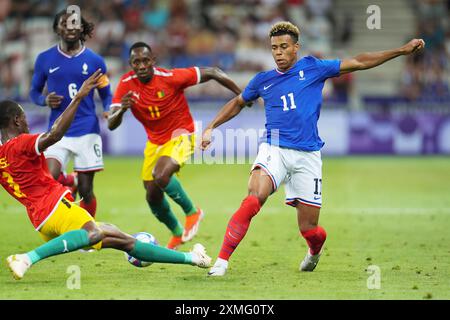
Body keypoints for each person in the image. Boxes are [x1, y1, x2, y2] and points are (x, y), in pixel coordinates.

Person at [201, 21, 425, 276]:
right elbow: (239, 102)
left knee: (310, 230)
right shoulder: (262, 81)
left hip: (308, 155)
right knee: (254, 198)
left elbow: (360, 61)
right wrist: (211, 126)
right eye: (274, 48)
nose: (278, 52)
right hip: (274, 148)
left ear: (296, 47)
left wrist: (401, 50)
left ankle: (314, 250)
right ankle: (221, 262)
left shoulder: (313, 68)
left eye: (284, 47)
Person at [1, 70, 211, 281]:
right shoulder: (21, 143)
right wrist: (79, 97)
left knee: (122, 239)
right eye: (25, 118)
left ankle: (193, 258)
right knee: (93, 233)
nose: (28, 123)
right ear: (17, 120)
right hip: (56, 209)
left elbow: (30, 177)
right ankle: (27, 259)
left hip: (40, 220)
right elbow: (55, 134)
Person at [108, 42, 243, 250]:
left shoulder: (170, 78)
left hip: (181, 134)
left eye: (145, 60)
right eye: (137, 62)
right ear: (131, 64)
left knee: (160, 175)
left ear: (153, 60)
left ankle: (193, 212)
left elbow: (214, 72)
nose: (142, 65)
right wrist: (122, 110)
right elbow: (111, 124)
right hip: (154, 143)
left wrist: (242, 95)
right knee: (152, 195)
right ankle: (178, 233)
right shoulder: (126, 84)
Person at [29, 9, 113, 218]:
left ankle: (87, 234)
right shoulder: (45, 59)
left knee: (86, 191)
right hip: (58, 131)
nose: (70, 28)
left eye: (75, 23)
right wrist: (43, 100)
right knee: (48, 178)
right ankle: (68, 182)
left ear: (82, 28)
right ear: (57, 28)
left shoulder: (95, 61)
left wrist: (109, 109)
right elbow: (34, 91)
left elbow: (106, 93)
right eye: (65, 23)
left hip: (87, 129)